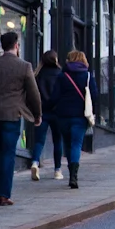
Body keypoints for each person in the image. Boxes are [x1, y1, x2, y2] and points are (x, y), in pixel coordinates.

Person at [0, 30, 40, 206]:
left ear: (2, 46)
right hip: (12, 115)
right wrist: (37, 114)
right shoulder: (24, 66)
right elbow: (34, 94)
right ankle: (4, 193)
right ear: (16, 45)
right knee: (8, 153)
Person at [51, 50, 96, 189]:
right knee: (77, 144)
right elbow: (94, 95)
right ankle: (73, 176)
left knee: (68, 144)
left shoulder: (62, 76)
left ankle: (71, 171)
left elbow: (54, 96)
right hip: (80, 116)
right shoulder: (87, 76)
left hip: (63, 116)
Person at [27, 51, 70, 180]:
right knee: (57, 141)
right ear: (56, 60)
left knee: (39, 140)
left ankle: (35, 162)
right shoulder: (61, 74)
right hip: (57, 112)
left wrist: (35, 112)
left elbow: (33, 95)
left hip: (42, 112)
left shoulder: (38, 75)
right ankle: (57, 170)